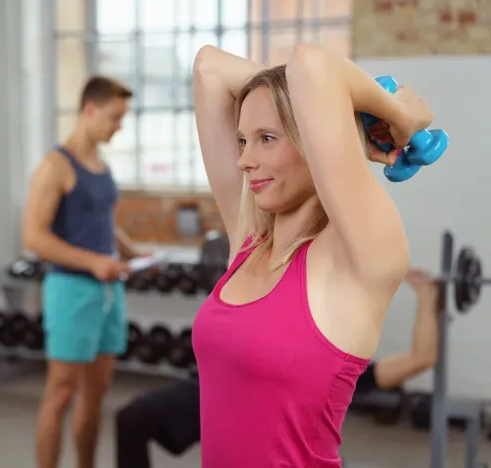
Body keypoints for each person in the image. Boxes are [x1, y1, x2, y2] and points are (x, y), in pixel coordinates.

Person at [189, 44, 435, 467]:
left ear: (311, 140)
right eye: (242, 140)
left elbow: (311, 67)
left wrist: (398, 115)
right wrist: (349, 117)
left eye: (267, 139)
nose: (245, 160)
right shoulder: (248, 243)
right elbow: (209, 68)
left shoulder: (359, 256)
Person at [114, 268, 439, 468]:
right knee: (131, 420)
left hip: (260, 422)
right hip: (220, 384)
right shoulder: (288, 287)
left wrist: (426, 296)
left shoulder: (339, 365)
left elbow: (421, 358)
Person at [22, 75, 147, 468]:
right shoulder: (54, 167)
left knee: (97, 392)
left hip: (110, 292)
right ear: (88, 110)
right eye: (114, 117)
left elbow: (104, 224)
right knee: (60, 393)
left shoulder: (101, 166)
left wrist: (133, 251)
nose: (119, 126)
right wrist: (94, 262)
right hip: (71, 290)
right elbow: (34, 238)